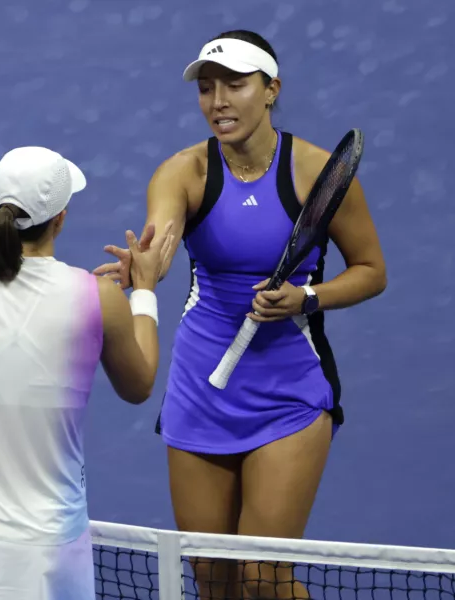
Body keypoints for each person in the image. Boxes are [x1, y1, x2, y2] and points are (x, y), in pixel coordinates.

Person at [94, 30, 388, 599]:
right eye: (207, 88)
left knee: (263, 578)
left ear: (271, 89)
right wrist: (146, 270)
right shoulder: (184, 173)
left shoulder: (316, 173)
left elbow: (371, 270)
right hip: (202, 387)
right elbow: (162, 238)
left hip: (289, 389)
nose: (218, 101)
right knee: (213, 579)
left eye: (234, 85)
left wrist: (307, 299)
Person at [0, 146, 176, 600]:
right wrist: (143, 291)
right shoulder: (99, 299)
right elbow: (140, 385)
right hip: (47, 555)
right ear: (60, 219)